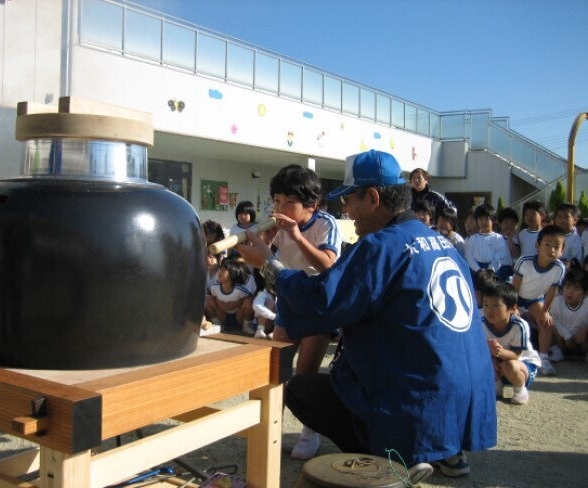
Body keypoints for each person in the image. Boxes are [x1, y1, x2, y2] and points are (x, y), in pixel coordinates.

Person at [236, 149, 497, 476]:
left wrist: (268, 265)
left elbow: (324, 300)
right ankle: (447, 449)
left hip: (418, 398)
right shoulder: (442, 242)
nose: (346, 211)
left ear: (373, 198)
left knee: (303, 391)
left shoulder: (380, 246)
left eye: (349, 200)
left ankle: (397, 454)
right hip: (467, 400)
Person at [255, 163, 342, 460]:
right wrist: (265, 241)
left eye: (289, 202)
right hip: (289, 301)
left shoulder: (326, 223)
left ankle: (309, 433)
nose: (281, 208)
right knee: (276, 370)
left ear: (311, 204)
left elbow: (328, 264)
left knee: (304, 377)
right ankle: (270, 431)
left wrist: (296, 235)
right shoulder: (278, 226)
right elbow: (265, 261)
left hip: (318, 305)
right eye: (277, 201)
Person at [512, 225, 566, 376]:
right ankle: (513, 355)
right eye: (547, 244)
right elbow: (514, 286)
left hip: (534, 298)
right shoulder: (524, 261)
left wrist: (545, 311)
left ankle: (543, 358)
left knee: (546, 322)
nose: (551, 250)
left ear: (562, 250)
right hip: (515, 296)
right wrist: (514, 306)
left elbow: (552, 291)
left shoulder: (559, 268)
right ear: (537, 246)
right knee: (512, 321)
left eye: (556, 246)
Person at [482, 281, 541, 405]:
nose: (489, 310)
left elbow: (516, 355)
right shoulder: (481, 323)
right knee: (483, 360)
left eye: (496, 305)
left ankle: (520, 390)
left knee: (509, 365)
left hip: (522, 364)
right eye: (486, 304)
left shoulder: (519, 325)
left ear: (512, 308)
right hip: (498, 364)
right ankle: (496, 385)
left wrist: (500, 352)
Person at [548, 266, 588, 363]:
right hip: (561, 340)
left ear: (585, 293)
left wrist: (585, 330)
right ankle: (557, 352)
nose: (570, 291)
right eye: (567, 286)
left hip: (581, 341)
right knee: (547, 324)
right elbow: (554, 320)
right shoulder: (557, 301)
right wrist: (567, 336)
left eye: (576, 288)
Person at [204, 256, 254, 332]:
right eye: (220, 269)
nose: (220, 272)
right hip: (222, 315)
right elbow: (213, 298)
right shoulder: (214, 287)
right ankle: (217, 324)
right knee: (208, 299)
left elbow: (249, 300)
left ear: (232, 273)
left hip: (238, 316)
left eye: (223, 270)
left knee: (249, 301)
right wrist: (219, 302)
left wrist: (237, 303)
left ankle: (246, 325)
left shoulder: (240, 290)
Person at [464, 203, 511, 281]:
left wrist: (490, 270)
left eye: (486, 219)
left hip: (493, 273)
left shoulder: (498, 238)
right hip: (476, 272)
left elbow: (499, 256)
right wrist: (478, 270)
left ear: (493, 220)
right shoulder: (472, 239)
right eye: (480, 219)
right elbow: (469, 257)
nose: (483, 222)